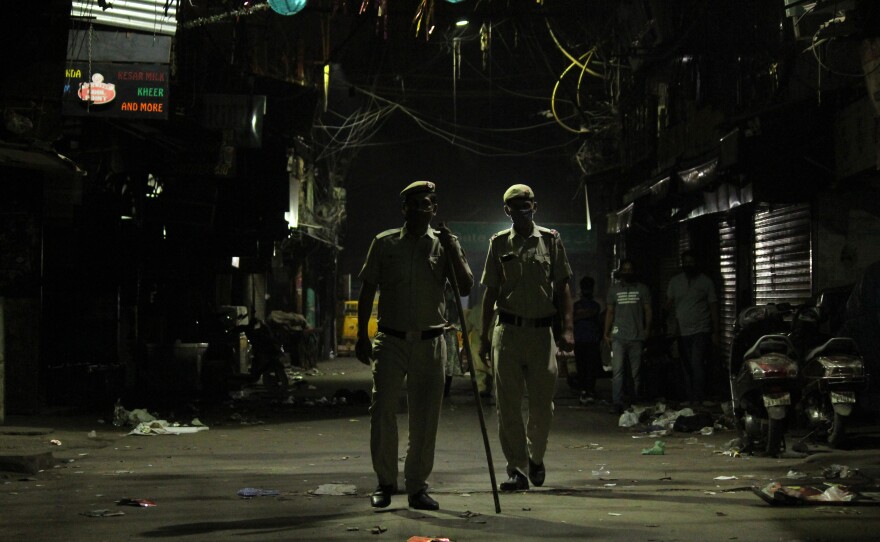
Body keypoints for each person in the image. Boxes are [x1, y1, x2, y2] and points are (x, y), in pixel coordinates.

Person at [355, 180, 473, 511]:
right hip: (390, 340)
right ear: (404, 208)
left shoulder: (444, 244)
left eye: (429, 203)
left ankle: (417, 485)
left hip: (432, 341)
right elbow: (368, 290)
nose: (424, 208)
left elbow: (464, 286)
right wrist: (361, 337)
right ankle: (385, 482)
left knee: (425, 417)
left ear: (435, 209)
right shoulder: (384, 242)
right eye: (417, 203)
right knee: (382, 411)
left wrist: (451, 249)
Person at [478, 183, 574, 492]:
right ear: (507, 211)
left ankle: (536, 457)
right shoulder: (498, 244)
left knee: (542, 405)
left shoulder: (551, 241)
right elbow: (490, 291)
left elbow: (562, 288)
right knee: (507, 405)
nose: (522, 210)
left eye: (527, 205)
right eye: (515, 206)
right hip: (507, 331)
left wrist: (568, 328)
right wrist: (482, 336)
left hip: (541, 333)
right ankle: (517, 469)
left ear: (535, 206)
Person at [665, 250, 719, 405]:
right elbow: (669, 304)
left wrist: (716, 331)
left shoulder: (706, 282)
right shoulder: (675, 282)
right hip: (682, 331)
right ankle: (690, 397)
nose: (689, 265)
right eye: (686, 262)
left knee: (697, 363)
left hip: (701, 330)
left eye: (691, 261)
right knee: (686, 365)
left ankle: (698, 397)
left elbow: (713, 306)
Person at [603, 259, 652, 414]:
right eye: (624, 269)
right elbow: (610, 312)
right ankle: (617, 403)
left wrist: (647, 330)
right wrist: (606, 332)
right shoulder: (614, 290)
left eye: (630, 269)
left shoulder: (642, 289)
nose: (627, 272)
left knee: (635, 373)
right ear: (620, 272)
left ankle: (633, 402)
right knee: (617, 371)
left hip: (636, 336)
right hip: (618, 336)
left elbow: (648, 310)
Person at [573, 276, 603, 405]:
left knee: (585, 366)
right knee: (587, 366)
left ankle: (586, 390)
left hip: (586, 339)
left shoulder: (581, 305)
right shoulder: (590, 305)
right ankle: (587, 390)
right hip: (586, 339)